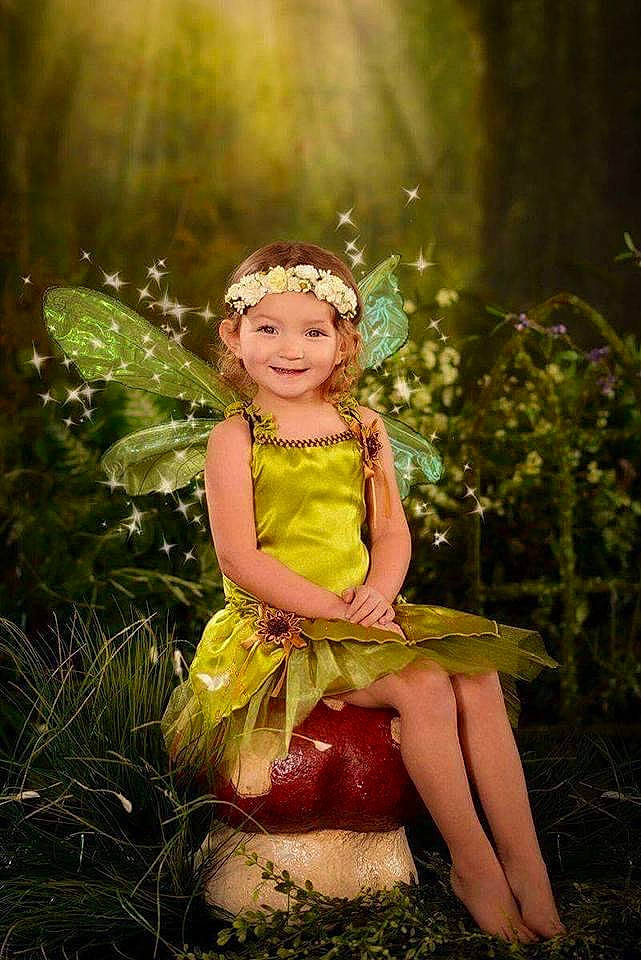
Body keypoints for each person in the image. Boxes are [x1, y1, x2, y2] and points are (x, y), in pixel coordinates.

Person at [157, 240, 566, 944]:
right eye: (268, 328)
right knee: (426, 685)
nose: (291, 349)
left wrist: (376, 594)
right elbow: (241, 558)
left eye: (313, 331)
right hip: (279, 626)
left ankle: (524, 864)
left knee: (477, 675)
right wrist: (338, 613)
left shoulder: (361, 427)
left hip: (358, 609)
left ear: (344, 340)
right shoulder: (235, 437)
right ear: (232, 335)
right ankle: (472, 864)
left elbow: (391, 533)